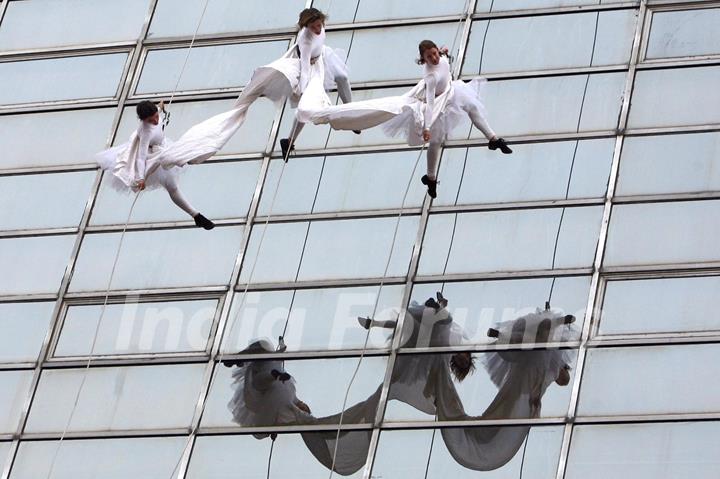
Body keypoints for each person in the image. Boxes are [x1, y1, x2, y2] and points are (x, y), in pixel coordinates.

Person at [382, 40, 512, 198]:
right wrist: (427, 127)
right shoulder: (431, 76)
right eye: (429, 57)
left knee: (472, 106)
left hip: (453, 92)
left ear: (438, 51)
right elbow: (430, 104)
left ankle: (493, 139)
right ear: (423, 60)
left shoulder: (441, 58)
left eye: (435, 53)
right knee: (436, 141)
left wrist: (444, 52)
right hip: (439, 103)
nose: (434, 58)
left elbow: (444, 60)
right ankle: (431, 178)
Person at [95, 101, 215, 229]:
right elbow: (141, 157)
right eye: (151, 120)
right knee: (172, 187)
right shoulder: (145, 132)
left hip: (163, 147)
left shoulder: (155, 112)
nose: (156, 121)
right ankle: (196, 215)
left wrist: (160, 106)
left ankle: (196, 216)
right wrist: (141, 177)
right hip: (151, 156)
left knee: (174, 183)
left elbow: (158, 108)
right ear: (144, 120)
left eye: (157, 116)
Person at [278, 7, 358, 160]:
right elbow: (306, 67)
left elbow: (319, 38)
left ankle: (351, 114)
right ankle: (289, 140)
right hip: (309, 66)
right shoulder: (306, 39)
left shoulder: (320, 27)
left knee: (342, 76)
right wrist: (302, 88)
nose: (317, 29)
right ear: (306, 27)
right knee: (307, 105)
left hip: (322, 55)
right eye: (313, 27)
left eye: (319, 25)